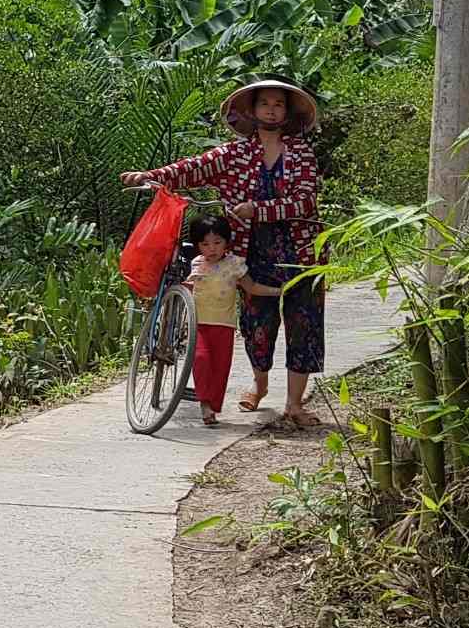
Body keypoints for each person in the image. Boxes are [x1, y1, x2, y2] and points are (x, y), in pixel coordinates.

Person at [123, 80, 327, 429]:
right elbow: (192, 167)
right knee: (257, 325)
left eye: (278, 104)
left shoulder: (301, 153)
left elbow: (305, 201)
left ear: (287, 112)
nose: (271, 110)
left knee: (304, 324)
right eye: (265, 104)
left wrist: (258, 210)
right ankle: (260, 386)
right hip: (250, 253)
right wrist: (152, 175)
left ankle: (294, 405)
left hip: (301, 252)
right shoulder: (233, 154)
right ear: (253, 110)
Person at [182, 216, 284, 427]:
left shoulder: (235, 264)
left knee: (220, 368)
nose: (211, 248)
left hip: (224, 325)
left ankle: (213, 406)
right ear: (198, 245)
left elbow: (251, 287)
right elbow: (190, 289)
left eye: (217, 242)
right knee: (200, 359)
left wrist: (279, 291)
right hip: (198, 323)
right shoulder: (197, 263)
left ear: (226, 242)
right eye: (205, 244)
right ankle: (204, 403)